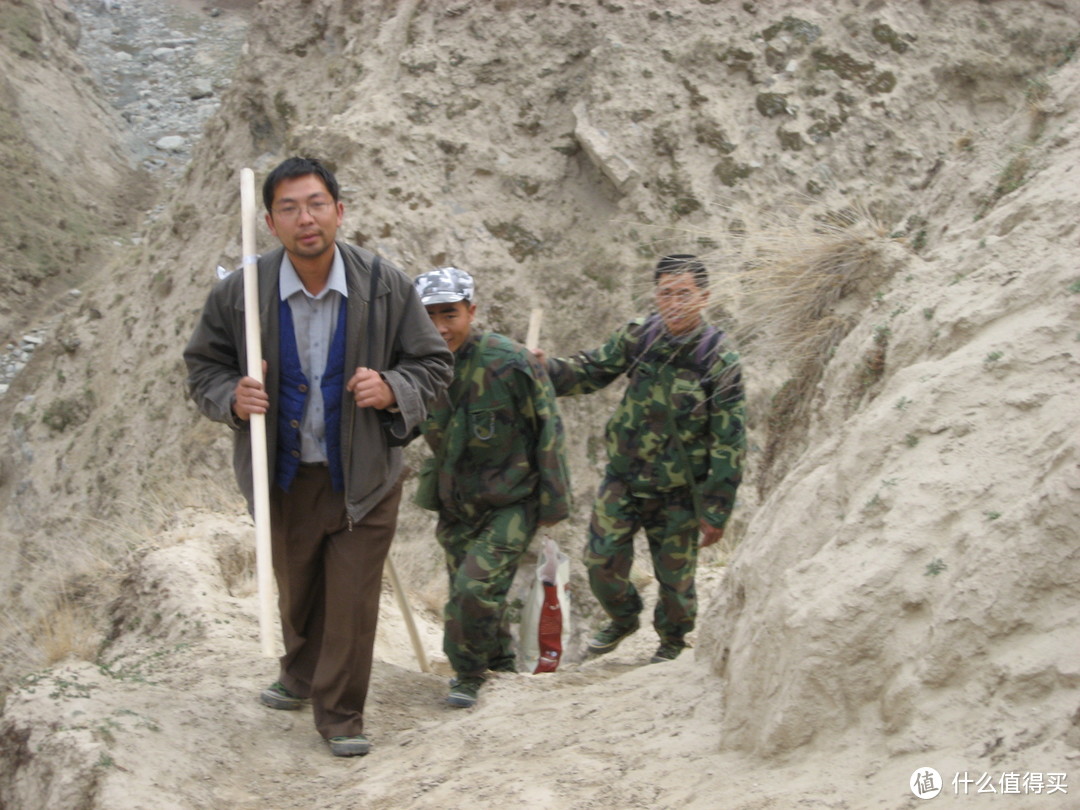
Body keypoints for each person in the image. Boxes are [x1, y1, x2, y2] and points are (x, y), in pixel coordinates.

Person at [183, 157, 452, 757]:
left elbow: (433, 365)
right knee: (297, 590)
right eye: (289, 208)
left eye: (316, 204)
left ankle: (340, 714)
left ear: (339, 211)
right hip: (283, 477)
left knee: (352, 601)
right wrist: (232, 396)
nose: (306, 219)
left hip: (364, 477)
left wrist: (392, 388)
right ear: (272, 223)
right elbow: (202, 367)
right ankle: (300, 674)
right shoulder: (239, 295)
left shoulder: (385, 285)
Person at [538, 255, 745, 663]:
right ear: (656, 296)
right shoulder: (640, 336)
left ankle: (670, 644)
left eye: (683, 294)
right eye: (665, 294)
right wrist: (545, 370)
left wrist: (716, 509)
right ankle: (623, 617)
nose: (674, 303)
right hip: (625, 478)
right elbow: (592, 369)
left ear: (704, 297)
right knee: (599, 562)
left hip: (679, 492)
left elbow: (728, 440)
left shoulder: (719, 359)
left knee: (676, 583)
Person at [413, 267, 571, 708]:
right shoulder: (418, 368)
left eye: (450, 314)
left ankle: (465, 674)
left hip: (510, 503)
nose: (440, 327)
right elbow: (395, 426)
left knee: (472, 589)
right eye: (428, 317)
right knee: (481, 597)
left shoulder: (510, 361)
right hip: (455, 506)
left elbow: (548, 427)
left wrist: (554, 503)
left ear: (471, 311)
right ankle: (500, 669)